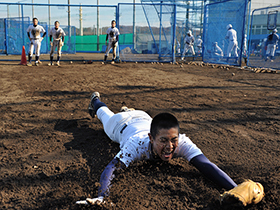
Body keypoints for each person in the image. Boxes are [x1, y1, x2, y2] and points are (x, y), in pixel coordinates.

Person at [76, 91, 238, 205]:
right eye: (163, 141)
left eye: (173, 140)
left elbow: (206, 165)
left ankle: (127, 110)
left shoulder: (180, 142)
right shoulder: (137, 144)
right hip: (119, 124)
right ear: (151, 139)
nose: (169, 147)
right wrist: (102, 196)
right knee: (105, 114)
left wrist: (236, 189)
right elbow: (112, 167)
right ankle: (95, 100)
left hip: (144, 116)